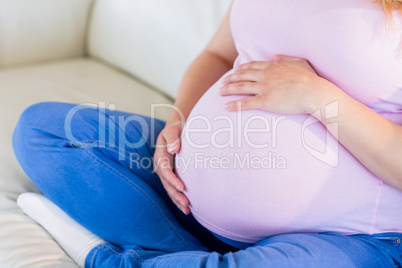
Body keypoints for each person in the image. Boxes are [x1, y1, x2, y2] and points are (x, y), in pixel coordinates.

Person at [12, 0, 402, 267]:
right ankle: (191, 255)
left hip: (348, 236)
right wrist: (179, 121)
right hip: (189, 197)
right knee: (43, 132)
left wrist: (318, 98)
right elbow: (217, 54)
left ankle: (113, 258)